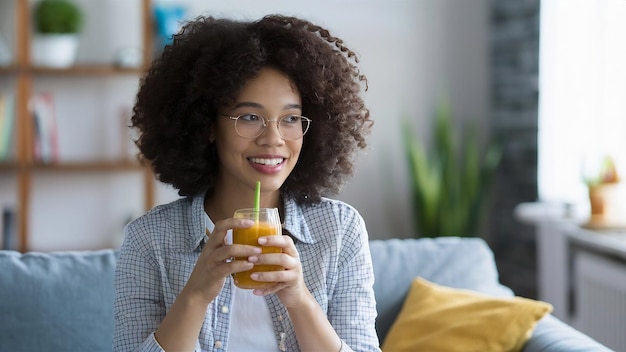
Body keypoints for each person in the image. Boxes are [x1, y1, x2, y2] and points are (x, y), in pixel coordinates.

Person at [113, 14, 379, 352]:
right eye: (250, 118)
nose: (273, 139)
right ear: (208, 126)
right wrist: (196, 294)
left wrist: (299, 300)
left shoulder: (340, 230)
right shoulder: (149, 240)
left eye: (291, 119)